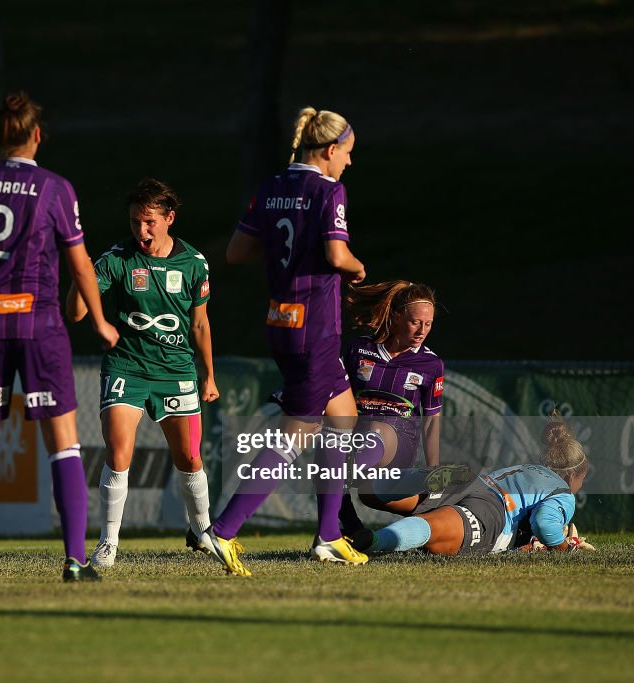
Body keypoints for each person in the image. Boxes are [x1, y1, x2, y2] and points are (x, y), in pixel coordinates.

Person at [0, 91, 119, 582]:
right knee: (61, 440)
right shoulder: (55, 188)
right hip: (38, 324)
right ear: (36, 135)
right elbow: (79, 264)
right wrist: (102, 321)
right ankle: (73, 560)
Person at [202, 106, 368, 575]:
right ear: (331, 150)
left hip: (281, 319)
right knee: (299, 431)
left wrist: (284, 256)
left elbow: (237, 252)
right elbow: (337, 253)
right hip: (314, 325)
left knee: (344, 415)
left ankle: (329, 535)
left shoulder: (273, 186)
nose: (349, 163)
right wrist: (357, 268)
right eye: (348, 154)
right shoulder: (329, 189)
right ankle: (225, 529)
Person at [65, 179, 219, 568]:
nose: (141, 231)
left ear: (169, 218)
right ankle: (108, 543)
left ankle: (203, 531)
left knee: (189, 457)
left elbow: (199, 325)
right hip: (126, 367)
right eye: (135, 222)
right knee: (118, 453)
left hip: (175, 370)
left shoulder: (194, 263)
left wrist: (209, 376)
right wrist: (79, 272)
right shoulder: (117, 259)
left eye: (149, 222)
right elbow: (76, 314)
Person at [354, 414, 590, 555]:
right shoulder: (563, 491)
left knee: (372, 494)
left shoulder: (531, 469)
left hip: (476, 481)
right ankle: (371, 542)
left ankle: (391, 482)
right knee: (431, 526)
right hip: (494, 512)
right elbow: (544, 523)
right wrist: (563, 548)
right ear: (574, 475)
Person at [335, 280, 455, 537]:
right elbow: (337, 393)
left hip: (399, 439)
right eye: (416, 322)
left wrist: (433, 469)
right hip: (356, 434)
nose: (423, 330)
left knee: (376, 430)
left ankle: (343, 478)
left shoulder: (431, 364)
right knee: (370, 495)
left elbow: (432, 420)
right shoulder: (359, 348)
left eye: (429, 323)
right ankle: (350, 528)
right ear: (397, 316)